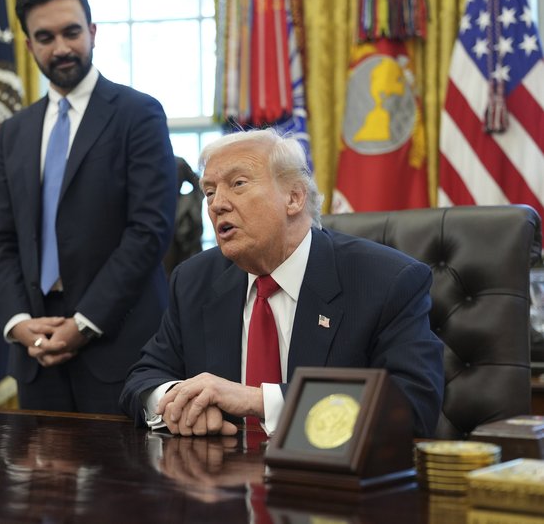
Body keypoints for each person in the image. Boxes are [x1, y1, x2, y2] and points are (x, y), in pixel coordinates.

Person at [119, 128, 444, 437]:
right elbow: (143, 379)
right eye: (209, 191)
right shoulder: (193, 280)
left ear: (294, 198)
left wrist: (259, 401)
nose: (217, 204)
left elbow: (411, 405)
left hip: (331, 483)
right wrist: (179, 400)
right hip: (220, 483)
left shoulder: (385, 281)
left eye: (238, 183)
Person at [0, 0, 176, 413]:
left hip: (122, 349)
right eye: (45, 37)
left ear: (92, 32)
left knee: (128, 480)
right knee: (40, 484)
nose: (61, 48)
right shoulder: (14, 133)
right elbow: (1, 240)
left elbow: (149, 231)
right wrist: (18, 324)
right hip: (37, 355)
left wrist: (84, 324)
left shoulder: (139, 114)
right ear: (30, 45)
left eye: (72, 32)